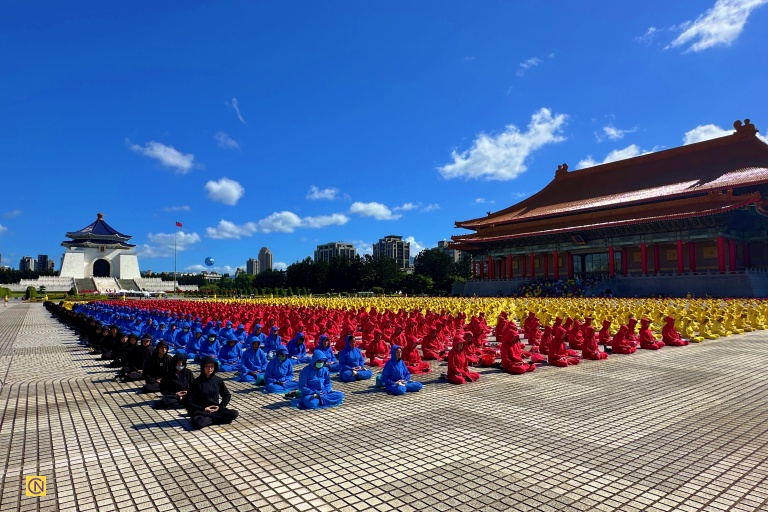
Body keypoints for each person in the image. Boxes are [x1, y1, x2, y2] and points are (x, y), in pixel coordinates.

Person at [183, 356, 239, 430]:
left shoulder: (218, 380)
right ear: (202, 367)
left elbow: (227, 395)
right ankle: (216, 419)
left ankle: (210, 419)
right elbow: (188, 401)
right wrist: (203, 409)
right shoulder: (196, 383)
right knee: (198, 423)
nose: (209, 369)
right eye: (207, 366)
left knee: (234, 413)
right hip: (202, 411)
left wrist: (220, 407)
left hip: (215, 410)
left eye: (212, 366)